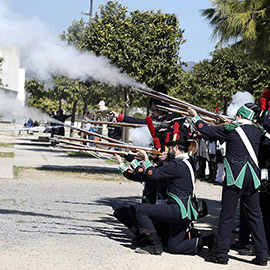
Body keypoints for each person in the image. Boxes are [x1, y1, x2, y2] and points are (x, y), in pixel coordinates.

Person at [188, 103, 268, 266]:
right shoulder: (258, 131)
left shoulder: (231, 129)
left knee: (227, 215)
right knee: (255, 216)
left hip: (235, 177)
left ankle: (222, 254)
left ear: (239, 115)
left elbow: (205, 129)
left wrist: (194, 116)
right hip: (252, 177)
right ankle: (262, 254)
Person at [122, 131, 214, 255]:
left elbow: (153, 175)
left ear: (176, 148)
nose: (167, 151)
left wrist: (143, 159)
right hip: (185, 211)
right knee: (174, 247)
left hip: (177, 209)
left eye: (169, 148)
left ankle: (154, 245)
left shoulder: (177, 164)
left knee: (140, 210)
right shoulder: (187, 161)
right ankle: (207, 240)